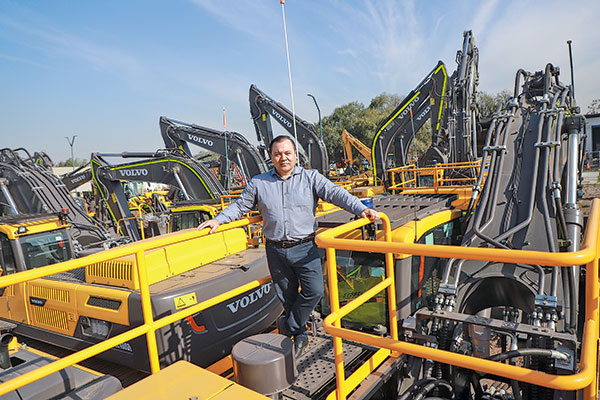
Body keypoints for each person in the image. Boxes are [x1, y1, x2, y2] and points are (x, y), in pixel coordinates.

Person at [197, 135, 379, 357]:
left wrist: (360, 208)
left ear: (295, 155)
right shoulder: (259, 183)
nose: (282, 157)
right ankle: (300, 334)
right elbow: (241, 205)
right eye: (277, 154)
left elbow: (336, 193)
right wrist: (219, 219)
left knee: (314, 291)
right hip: (275, 250)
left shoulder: (311, 178)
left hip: (305, 248)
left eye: (287, 153)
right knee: (288, 296)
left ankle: (288, 326)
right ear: (271, 158)